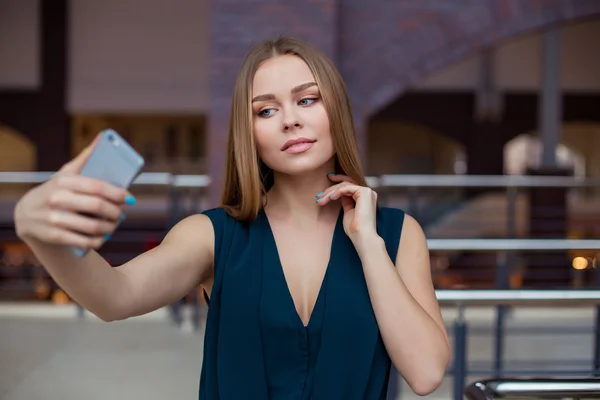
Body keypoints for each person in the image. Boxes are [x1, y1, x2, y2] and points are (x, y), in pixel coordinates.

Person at [13, 36, 450, 398]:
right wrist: (40, 232)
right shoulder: (212, 235)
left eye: (308, 99)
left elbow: (427, 373)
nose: (291, 121)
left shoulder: (395, 235)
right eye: (267, 110)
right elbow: (113, 296)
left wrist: (369, 246)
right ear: (250, 132)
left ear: (336, 110)